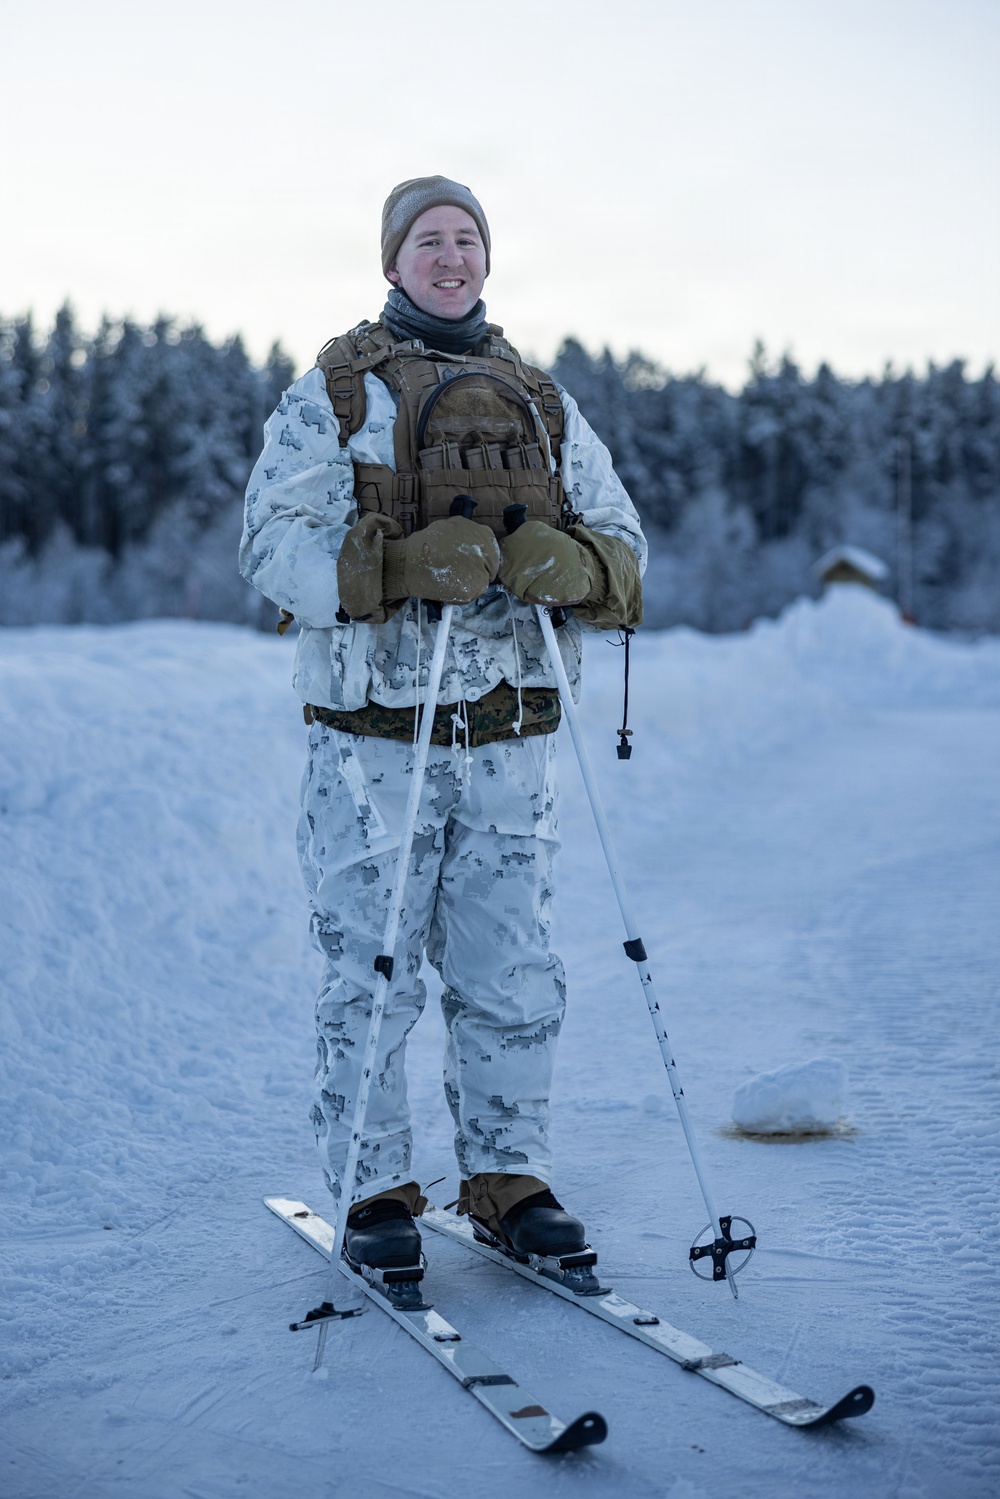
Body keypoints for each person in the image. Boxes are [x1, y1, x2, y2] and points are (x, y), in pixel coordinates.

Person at [241, 176, 645, 1285]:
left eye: (467, 238)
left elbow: (624, 539)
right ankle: (375, 1189)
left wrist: (587, 565)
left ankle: (509, 1178)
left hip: (511, 742)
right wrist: (389, 565)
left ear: (487, 259)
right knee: (370, 973)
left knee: (511, 971)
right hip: (374, 741)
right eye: (430, 239)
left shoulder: (544, 400)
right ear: (392, 260)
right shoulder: (332, 396)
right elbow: (270, 545)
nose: (451, 255)